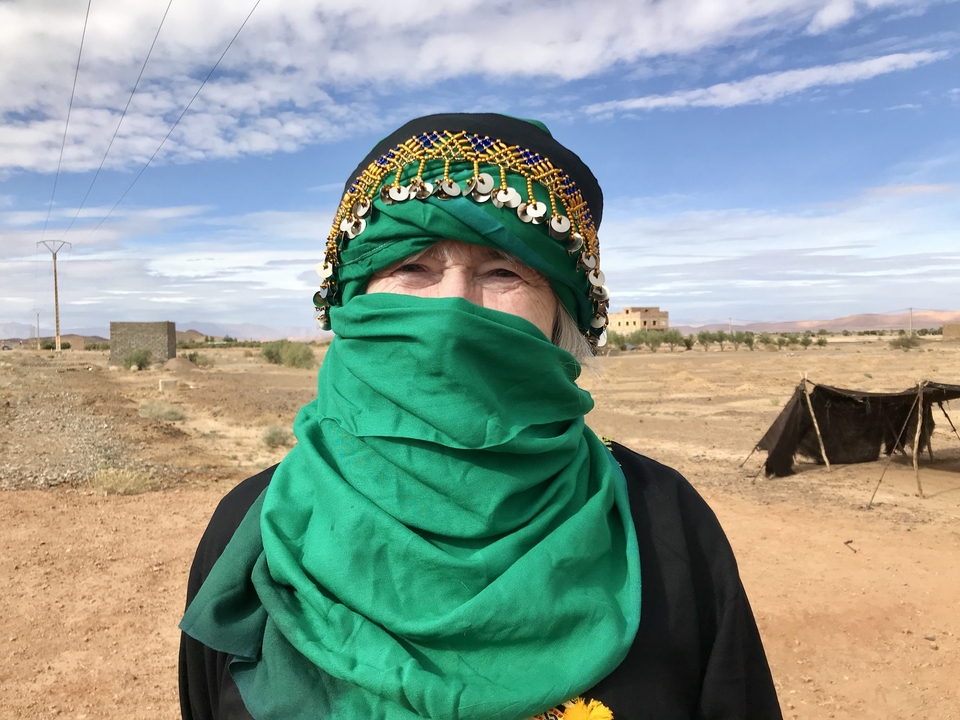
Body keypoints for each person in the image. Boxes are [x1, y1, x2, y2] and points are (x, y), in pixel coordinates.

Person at [179, 113, 782, 720]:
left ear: (560, 320)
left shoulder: (663, 523)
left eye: (504, 272)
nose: (453, 308)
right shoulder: (253, 530)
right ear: (351, 301)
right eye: (411, 266)